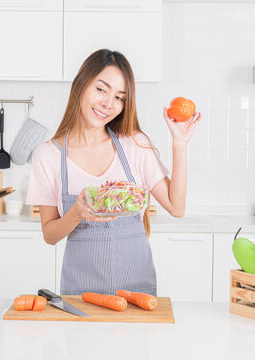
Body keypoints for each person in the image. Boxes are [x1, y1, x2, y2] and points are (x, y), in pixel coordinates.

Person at [25, 49, 201, 296]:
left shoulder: (134, 144)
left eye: (120, 97)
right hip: (80, 293)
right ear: (81, 84)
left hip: (136, 293)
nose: (109, 103)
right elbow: (49, 235)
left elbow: (176, 207)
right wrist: (76, 213)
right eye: (101, 89)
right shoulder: (48, 156)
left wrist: (180, 144)